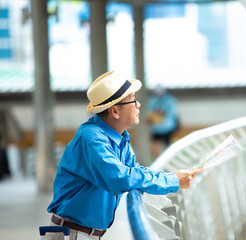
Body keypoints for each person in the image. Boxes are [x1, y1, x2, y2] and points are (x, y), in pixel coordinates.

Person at [45, 70, 203, 240]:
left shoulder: (118, 137)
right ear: (115, 111)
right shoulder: (93, 139)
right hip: (73, 235)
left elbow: (133, 170)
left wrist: (172, 177)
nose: (139, 105)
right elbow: (120, 178)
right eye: (133, 99)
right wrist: (172, 181)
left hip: (83, 233)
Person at [146, 85, 179, 158]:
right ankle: (160, 160)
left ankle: (168, 160)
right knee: (153, 146)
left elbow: (168, 112)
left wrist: (158, 113)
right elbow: (150, 113)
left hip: (167, 127)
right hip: (157, 128)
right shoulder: (153, 100)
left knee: (167, 146)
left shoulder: (169, 100)